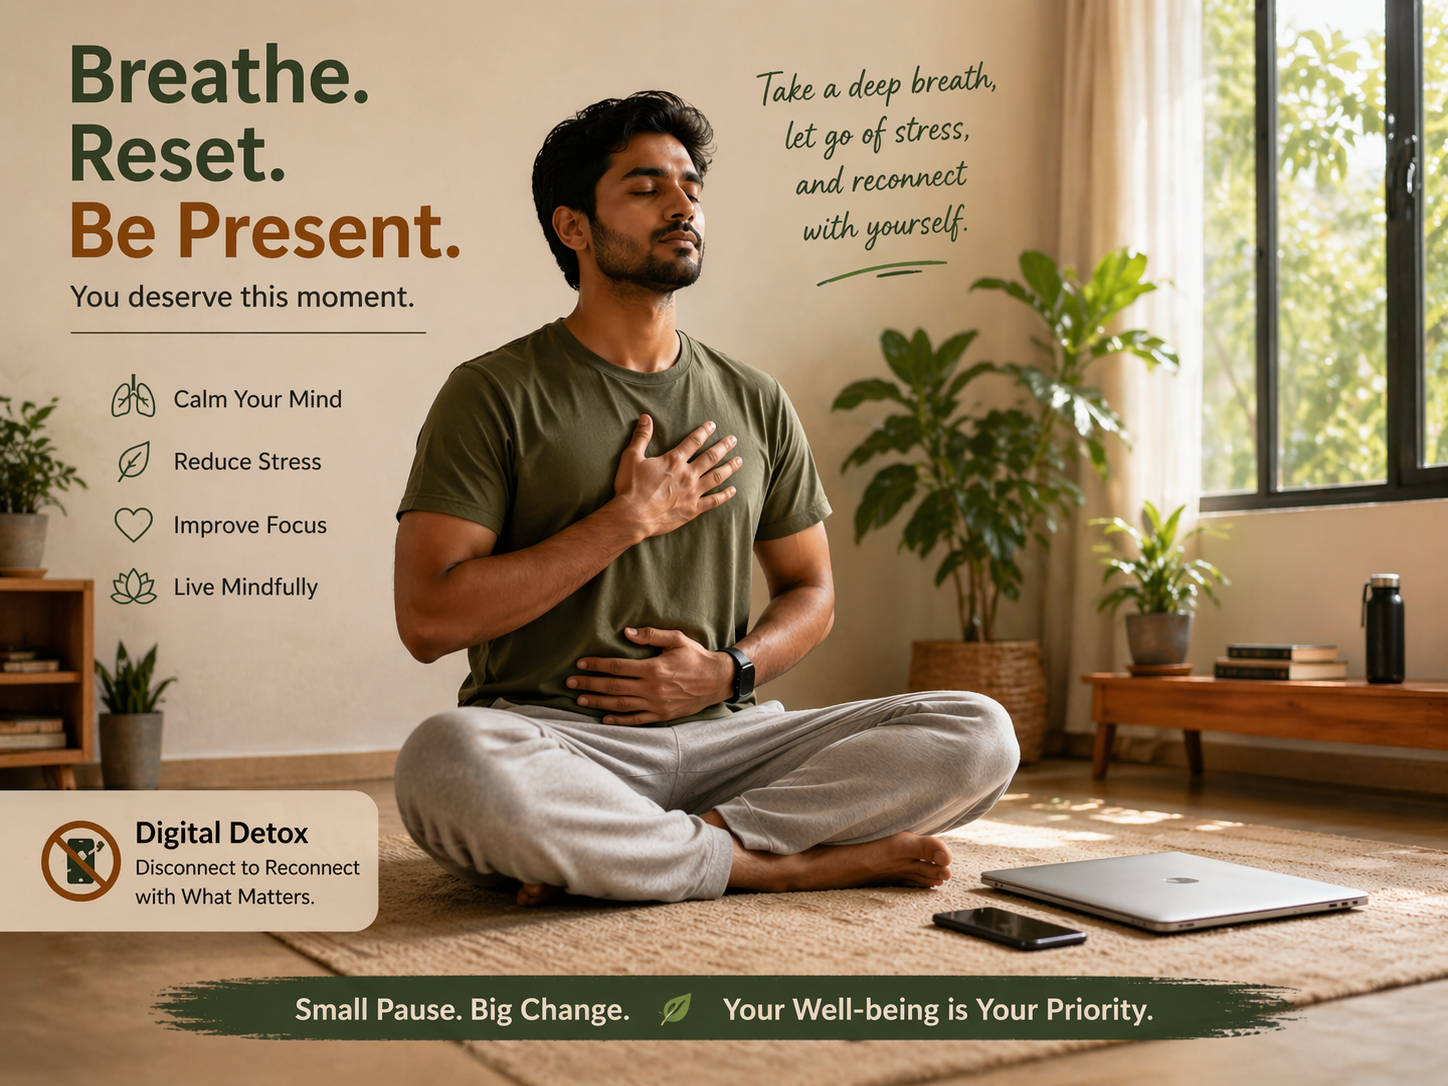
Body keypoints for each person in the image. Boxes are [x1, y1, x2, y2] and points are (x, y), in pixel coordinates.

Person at [391, 91, 1017, 907]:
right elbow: (428, 620)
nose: (683, 204)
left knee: (978, 732)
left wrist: (729, 673)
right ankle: (778, 862)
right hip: (563, 742)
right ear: (573, 226)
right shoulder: (493, 392)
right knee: (445, 761)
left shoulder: (754, 397)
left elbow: (813, 592)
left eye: (690, 186)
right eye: (646, 187)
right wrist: (626, 521)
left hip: (731, 738)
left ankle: (659, 848)